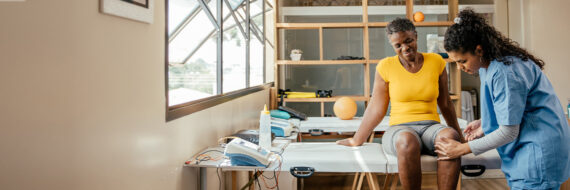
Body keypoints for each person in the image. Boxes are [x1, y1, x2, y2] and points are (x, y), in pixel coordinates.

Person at [435, 9, 570, 190]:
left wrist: (462, 149)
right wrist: (485, 123)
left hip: (537, 152)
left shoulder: (504, 72)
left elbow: (508, 132)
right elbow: (516, 106)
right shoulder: (489, 65)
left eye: (463, 61)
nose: (459, 68)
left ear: (479, 49)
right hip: (531, 148)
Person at [336, 18, 463, 190]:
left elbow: (446, 103)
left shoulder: (436, 62)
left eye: (408, 40)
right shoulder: (386, 66)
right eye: (398, 45)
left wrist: (459, 136)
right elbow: (376, 108)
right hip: (399, 130)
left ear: (416, 36)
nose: (405, 48)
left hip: (430, 128)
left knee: (450, 137)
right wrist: (357, 139)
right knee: (407, 140)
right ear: (392, 45)